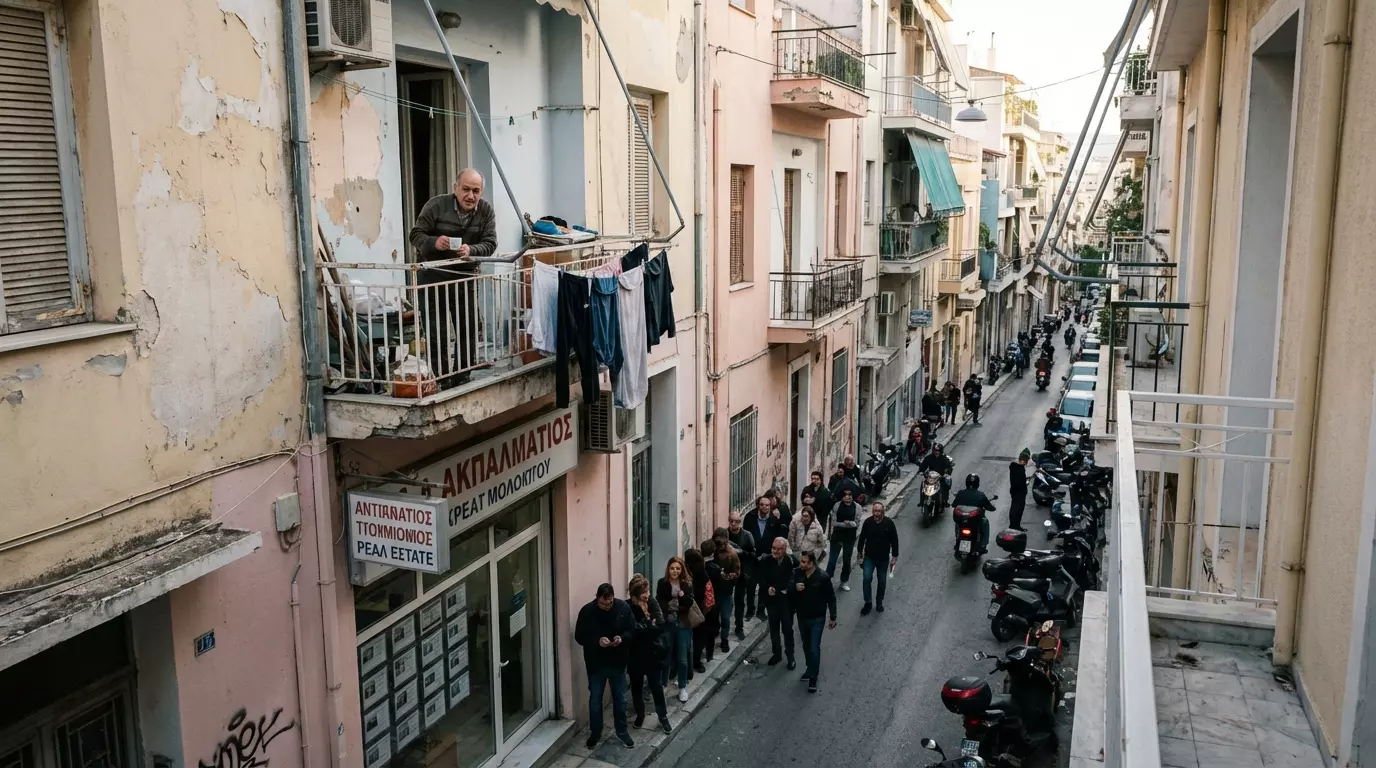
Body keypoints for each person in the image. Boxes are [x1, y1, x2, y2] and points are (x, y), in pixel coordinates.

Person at [406, 169, 498, 379]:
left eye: (476, 191)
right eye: (466, 189)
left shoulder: (485, 211)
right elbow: (415, 234)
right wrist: (434, 242)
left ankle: (462, 375)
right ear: (455, 188)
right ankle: (441, 376)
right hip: (433, 275)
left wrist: (471, 250)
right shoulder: (437, 205)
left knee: (468, 328)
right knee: (436, 329)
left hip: (465, 277)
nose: (470, 196)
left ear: (481, 192)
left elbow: (490, 243)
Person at [574, 583, 635, 748]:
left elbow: (632, 630)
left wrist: (622, 639)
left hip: (618, 662)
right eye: (602, 603)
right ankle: (595, 733)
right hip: (596, 664)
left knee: (621, 700)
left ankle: (622, 732)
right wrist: (597, 641)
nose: (606, 607)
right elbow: (579, 636)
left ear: (613, 598)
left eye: (609, 603)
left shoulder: (622, 608)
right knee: (595, 700)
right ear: (597, 597)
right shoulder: (587, 611)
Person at [626, 575, 672, 734]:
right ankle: (640, 715)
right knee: (637, 687)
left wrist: (646, 627)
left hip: (653, 652)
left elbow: (660, 625)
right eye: (643, 592)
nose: (646, 595)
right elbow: (631, 631)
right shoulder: (628, 607)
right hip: (635, 655)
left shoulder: (652, 603)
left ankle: (663, 717)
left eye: (647, 591)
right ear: (635, 593)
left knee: (656, 687)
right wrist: (646, 625)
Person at [790, 551, 837, 693]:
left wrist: (833, 616)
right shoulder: (797, 573)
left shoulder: (822, 577)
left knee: (814, 647)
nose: (801, 564)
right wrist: (794, 588)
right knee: (805, 645)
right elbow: (788, 585)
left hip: (817, 618)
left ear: (811, 563)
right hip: (802, 616)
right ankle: (810, 668)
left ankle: (813, 678)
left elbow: (831, 597)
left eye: (804, 562)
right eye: (801, 561)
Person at [656, 556, 696, 702]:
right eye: (672, 568)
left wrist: (678, 603)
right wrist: (667, 608)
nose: (675, 571)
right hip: (668, 623)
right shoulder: (662, 583)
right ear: (668, 569)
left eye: (678, 568)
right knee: (666, 655)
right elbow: (659, 600)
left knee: (682, 658)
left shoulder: (686, 584)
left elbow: (689, 602)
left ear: (681, 570)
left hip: (683, 624)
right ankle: (664, 684)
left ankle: (682, 687)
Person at [743, 495, 788, 618]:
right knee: (751, 586)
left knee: (764, 586)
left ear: (770, 506)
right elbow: (745, 536)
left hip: (767, 557)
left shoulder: (774, 520)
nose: (764, 507)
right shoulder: (750, 517)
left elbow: (777, 539)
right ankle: (750, 610)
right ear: (758, 505)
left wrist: (769, 554)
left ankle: (761, 610)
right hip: (752, 557)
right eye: (762, 504)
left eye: (767, 505)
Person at [757, 537, 798, 669]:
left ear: (785, 550)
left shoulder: (791, 561)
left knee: (787, 630)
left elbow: (795, 579)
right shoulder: (765, 560)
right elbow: (761, 578)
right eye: (774, 548)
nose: (775, 551)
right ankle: (777, 654)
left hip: (786, 602)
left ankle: (790, 657)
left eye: (779, 549)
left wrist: (782, 589)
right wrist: (767, 588)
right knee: (774, 629)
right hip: (772, 601)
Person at [856, 502, 899, 616]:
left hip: (883, 559)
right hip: (869, 557)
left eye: (879, 511)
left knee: (882, 581)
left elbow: (894, 540)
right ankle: (868, 602)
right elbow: (862, 538)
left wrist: (895, 556)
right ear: (872, 511)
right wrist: (860, 553)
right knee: (866, 579)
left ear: (883, 512)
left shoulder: (889, 523)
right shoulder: (868, 522)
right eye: (875, 510)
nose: (877, 513)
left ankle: (879, 601)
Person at [685, 546, 720, 674]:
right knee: (699, 639)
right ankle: (697, 662)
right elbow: (709, 598)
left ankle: (691, 663)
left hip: (691, 612)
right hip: (702, 613)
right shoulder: (704, 574)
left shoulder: (690, 575)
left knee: (690, 640)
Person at [723, 512, 756, 638]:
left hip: (741, 573)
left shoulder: (747, 536)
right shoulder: (724, 534)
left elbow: (753, 555)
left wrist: (741, 552)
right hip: (727, 573)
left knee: (740, 600)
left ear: (740, 522)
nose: (733, 524)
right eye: (731, 521)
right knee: (725, 600)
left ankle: (739, 627)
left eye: (736, 521)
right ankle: (723, 628)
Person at [951, 474, 997, 554]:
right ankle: (983, 544)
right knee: (985, 522)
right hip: (974, 521)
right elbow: (990, 507)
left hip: (962, 520)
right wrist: (993, 508)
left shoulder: (960, 493)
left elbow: (953, 505)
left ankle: (957, 538)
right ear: (977, 484)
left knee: (958, 523)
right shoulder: (981, 495)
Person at [711, 530, 742, 652]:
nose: (720, 547)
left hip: (726, 591)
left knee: (726, 617)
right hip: (713, 591)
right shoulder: (712, 552)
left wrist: (726, 577)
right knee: (713, 616)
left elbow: (737, 572)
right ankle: (714, 633)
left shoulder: (732, 554)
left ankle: (724, 639)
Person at [826, 487, 860, 590]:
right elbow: (835, 523)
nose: (847, 497)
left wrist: (848, 523)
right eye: (845, 495)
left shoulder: (857, 507)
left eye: (849, 495)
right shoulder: (837, 506)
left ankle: (844, 581)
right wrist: (848, 523)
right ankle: (827, 580)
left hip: (849, 538)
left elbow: (856, 524)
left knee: (847, 561)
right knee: (832, 560)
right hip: (837, 536)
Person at [918, 442, 955, 510]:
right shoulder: (929, 458)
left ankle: (945, 501)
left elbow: (949, 467)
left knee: (945, 486)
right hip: (930, 477)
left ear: (940, 451)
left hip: (940, 477)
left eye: (938, 450)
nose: (936, 452)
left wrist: (946, 473)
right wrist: (921, 471)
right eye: (935, 450)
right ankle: (921, 501)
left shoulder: (944, 459)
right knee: (922, 485)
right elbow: (924, 465)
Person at [1008, 449, 1031, 531]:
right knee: (1017, 509)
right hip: (1019, 492)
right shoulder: (1019, 469)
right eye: (1026, 460)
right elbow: (1019, 482)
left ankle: (1015, 525)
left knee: (1015, 508)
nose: (1027, 462)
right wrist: (1025, 483)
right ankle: (1014, 526)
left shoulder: (1014, 467)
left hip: (1015, 491)